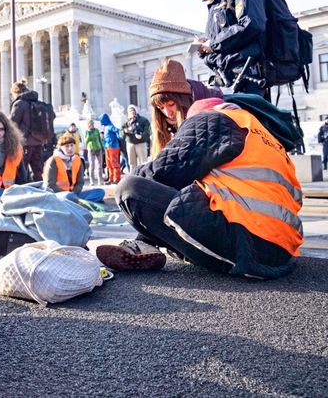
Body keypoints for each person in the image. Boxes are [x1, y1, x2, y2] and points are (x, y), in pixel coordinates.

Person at [100, 98, 303, 279]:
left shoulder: (211, 119)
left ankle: (146, 244)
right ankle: (146, 244)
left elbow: (162, 171)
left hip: (247, 245)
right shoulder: (263, 136)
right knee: (190, 191)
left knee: (130, 189)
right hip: (283, 253)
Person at [185, 0, 267, 97]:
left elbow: (251, 24)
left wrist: (214, 43)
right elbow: (224, 41)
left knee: (248, 118)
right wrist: (204, 47)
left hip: (250, 77)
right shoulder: (216, 2)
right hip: (228, 80)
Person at [149, 59, 223, 158]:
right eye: (161, 108)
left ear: (183, 100)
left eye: (171, 104)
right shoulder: (165, 121)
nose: (167, 113)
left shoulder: (212, 108)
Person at [43, 134, 105, 202]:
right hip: (59, 195)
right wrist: (67, 193)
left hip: (74, 194)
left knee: (100, 192)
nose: (70, 148)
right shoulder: (53, 161)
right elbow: (50, 185)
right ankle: (81, 203)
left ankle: (77, 203)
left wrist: (74, 192)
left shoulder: (77, 160)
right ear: (60, 148)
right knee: (69, 196)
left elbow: (80, 182)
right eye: (66, 146)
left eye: (72, 145)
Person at [9, 80, 45, 181]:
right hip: (38, 141)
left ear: (16, 92)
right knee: (38, 169)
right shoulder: (37, 101)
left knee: (22, 169)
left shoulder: (19, 103)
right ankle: (42, 190)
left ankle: (24, 191)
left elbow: (12, 123)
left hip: (24, 142)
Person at [121, 105, 151, 171]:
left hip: (140, 143)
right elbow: (121, 133)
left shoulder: (143, 120)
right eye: (130, 111)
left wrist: (142, 136)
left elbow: (148, 132)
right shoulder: (126, 122)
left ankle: (144, 177)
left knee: (143, 162)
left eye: (133, 110)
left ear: (136, 111)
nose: (132, 112)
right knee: (131, 163)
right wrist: (125, 131)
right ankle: (133, 177)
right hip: (130, 143)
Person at [99, 113, 121, 184]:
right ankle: (111, 178)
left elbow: (118, 130)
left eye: (101, 120)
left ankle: (116, 179)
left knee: (114, 163)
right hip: (107, 147)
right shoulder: (105, 127)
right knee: (109, 164)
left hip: (113, 147)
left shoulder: (110, 126)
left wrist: (115, 139)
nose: (101, 122)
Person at [83, 120, 104, 186]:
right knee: (92, 165)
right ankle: (91, 181)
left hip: (98, 148)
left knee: (99, 165)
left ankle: (100, 180)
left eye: (92, 124)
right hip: (91, 149)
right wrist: (89, 134)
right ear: (88, 125)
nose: (92, 125)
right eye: (90, 124)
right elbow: (86, 141)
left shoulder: (96, 130)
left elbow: (99, 139)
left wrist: (102, 147)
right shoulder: (87, 131)